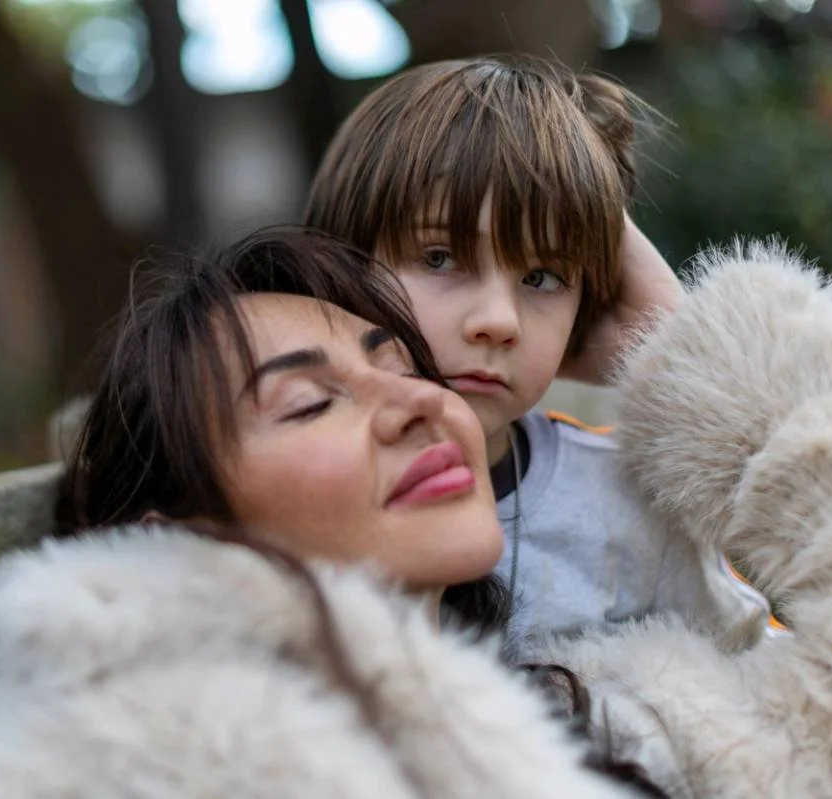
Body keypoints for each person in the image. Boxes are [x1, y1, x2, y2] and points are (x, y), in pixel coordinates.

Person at [0, 228, 832, 798]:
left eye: (398, 363)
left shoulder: (592, 714)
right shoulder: (110, 764)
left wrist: (664, 330)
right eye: (310, 401)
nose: (420, 402)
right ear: (181, 534)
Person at [303, 55, 774, 645]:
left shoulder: (625, 504)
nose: (499, 321)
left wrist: (677, 348)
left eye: (543, 277)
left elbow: (765, 693)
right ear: (337, 270)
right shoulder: (289, 495)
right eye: (439, 258)